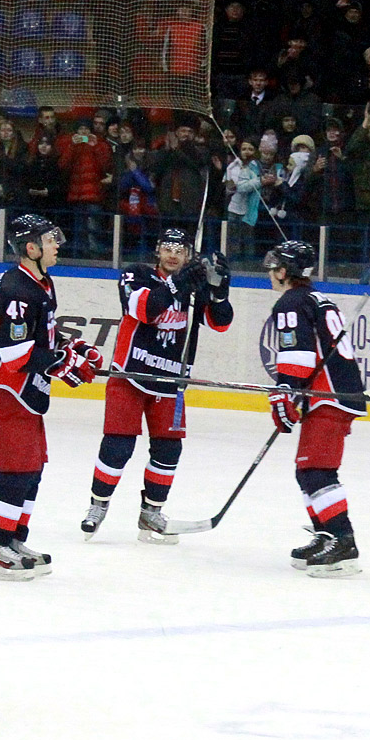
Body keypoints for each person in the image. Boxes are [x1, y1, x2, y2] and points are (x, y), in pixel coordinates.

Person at [0, 215, 104, 579]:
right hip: (6, 388)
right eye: (49, 240)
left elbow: (39, 337)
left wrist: (68, 347)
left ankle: (13, 538)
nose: (57, 244)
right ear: (31, 249)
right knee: (18, 470)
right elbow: (16, 356)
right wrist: (65, 363)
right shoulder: (16, 289)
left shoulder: (40, 282)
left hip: (24, 390)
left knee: (34, 468)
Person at [80, 228, 233, 543]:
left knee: (168, 450)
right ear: (158, 252)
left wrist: (220, 291)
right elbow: (145, 311)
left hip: (170, 383)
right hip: (130, 377)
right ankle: (98, 506)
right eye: (168, 248)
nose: (173, 254)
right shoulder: (135, 275)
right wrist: (178, 284)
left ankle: (151, 514)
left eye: (180, 249)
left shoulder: (195, 285)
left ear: (189, 255)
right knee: (118, 446)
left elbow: (221, 323)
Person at [261, 240, 368, 575]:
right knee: (306, 470)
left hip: (330, 397)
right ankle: (326, 534)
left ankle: (343, 541)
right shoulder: (316, 298)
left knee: (317, 471)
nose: (270, 272)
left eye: (274, 266)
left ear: (284, 271)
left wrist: (284, 393)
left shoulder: (291, 302)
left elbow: (299, 357)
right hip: (334, 395)